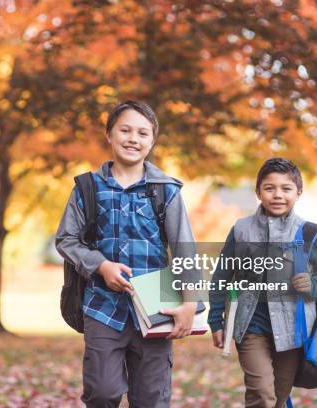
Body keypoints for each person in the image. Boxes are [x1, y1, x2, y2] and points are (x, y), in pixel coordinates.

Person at [55, 100, 199, 407]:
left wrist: (190, 303)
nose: (133, 138)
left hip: (158, 307)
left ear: (152, 141)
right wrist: (101, 265)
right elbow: (67, 239)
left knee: (150, 398)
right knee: (102, 392)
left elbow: (185, 249)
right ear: (109, 134)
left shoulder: (166, 190)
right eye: (125, 130)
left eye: (143, 133)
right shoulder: (86, 188)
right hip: (102, 308)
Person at [208, 157, 317, 408]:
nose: (277, 195)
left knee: (278, 399)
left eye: (286, 188)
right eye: (269, 188)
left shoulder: (309, 233)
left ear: (298, 193)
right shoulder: (241, 230)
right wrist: (216, 319)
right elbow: (222, 277)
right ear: (258, 192)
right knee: (261, 394)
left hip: (293, 331)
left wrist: (313, 283)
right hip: (250, 327)